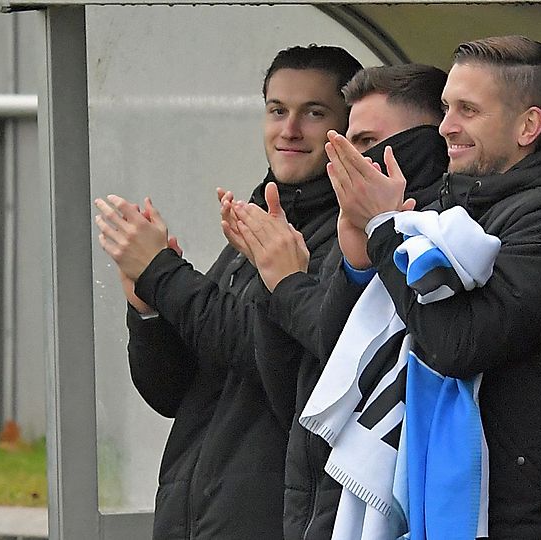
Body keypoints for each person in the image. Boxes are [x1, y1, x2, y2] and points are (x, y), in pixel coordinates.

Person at [322, 35, 541, 538]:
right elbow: (352, 353)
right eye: (445, 108)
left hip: (518, 515)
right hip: (444, 504)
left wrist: (385, 230)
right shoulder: (448, 209)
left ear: (528, 126)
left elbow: (458, 344)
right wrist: (359, 255)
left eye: (468, 110)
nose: (446, 127)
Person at [93, 44, 362, 539]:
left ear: (348, 126)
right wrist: (148, 309)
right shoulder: (254, 217)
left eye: (313, 113)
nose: (290, 129)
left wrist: (162, 273)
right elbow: (173, 391)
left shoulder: (352, 237)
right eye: (277, 110)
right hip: (190, 518)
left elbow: (265, 352)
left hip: (269, 519)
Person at [222, 63, 449, 539]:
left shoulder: (442, 234)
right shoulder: (347, 228)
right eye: (275, 110)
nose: (347, 159)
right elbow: (298, 391)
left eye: (366, 142)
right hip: (315, 507)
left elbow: (345, 352)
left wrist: (285, 281)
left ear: (424, 144)